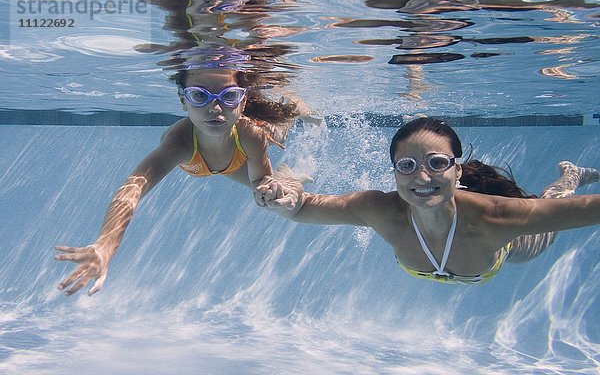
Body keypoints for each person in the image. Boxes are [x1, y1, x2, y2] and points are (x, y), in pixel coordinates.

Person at [54, 67, 311, 296]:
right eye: (200, 96)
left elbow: (259, 183)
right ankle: (285, 175)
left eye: (229, 96)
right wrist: (105, 244)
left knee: (281, 124)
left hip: (238, 157)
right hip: (218, 164)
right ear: (183, 101)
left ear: (242, 102)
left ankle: (297, 112)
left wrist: (271, 188)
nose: (215, 107)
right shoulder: (180, 142)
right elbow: (133, 187)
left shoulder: (251, 134)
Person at [257, 117, 600, 284]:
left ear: (458, 171)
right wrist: (284, 193)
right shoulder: (381, 210)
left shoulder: (495, 218)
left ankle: (569, 176)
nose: (422, 178)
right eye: (407, 166)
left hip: (508, 247)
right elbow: (301, 208)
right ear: (394, 173)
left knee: (539, 233)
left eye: (437, 163)